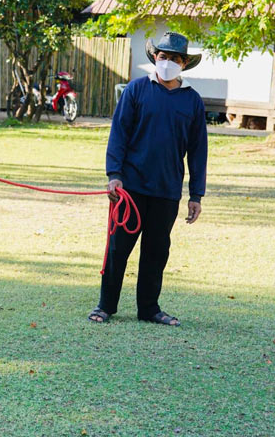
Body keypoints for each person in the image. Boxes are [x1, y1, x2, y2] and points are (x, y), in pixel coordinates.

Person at [89, 31, 208, 326]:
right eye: (162, 56)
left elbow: (198, 151)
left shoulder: (192, 101)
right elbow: (119, 134)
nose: (167, 62)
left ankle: (149, 309)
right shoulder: (137, 90)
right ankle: (106, 306)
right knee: (118, 249)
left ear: (183, 63)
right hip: (129, 189)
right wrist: (114, 175)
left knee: (156, 252)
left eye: (174, 58)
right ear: (155, 58)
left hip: (167, 191)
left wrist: (196, 195)